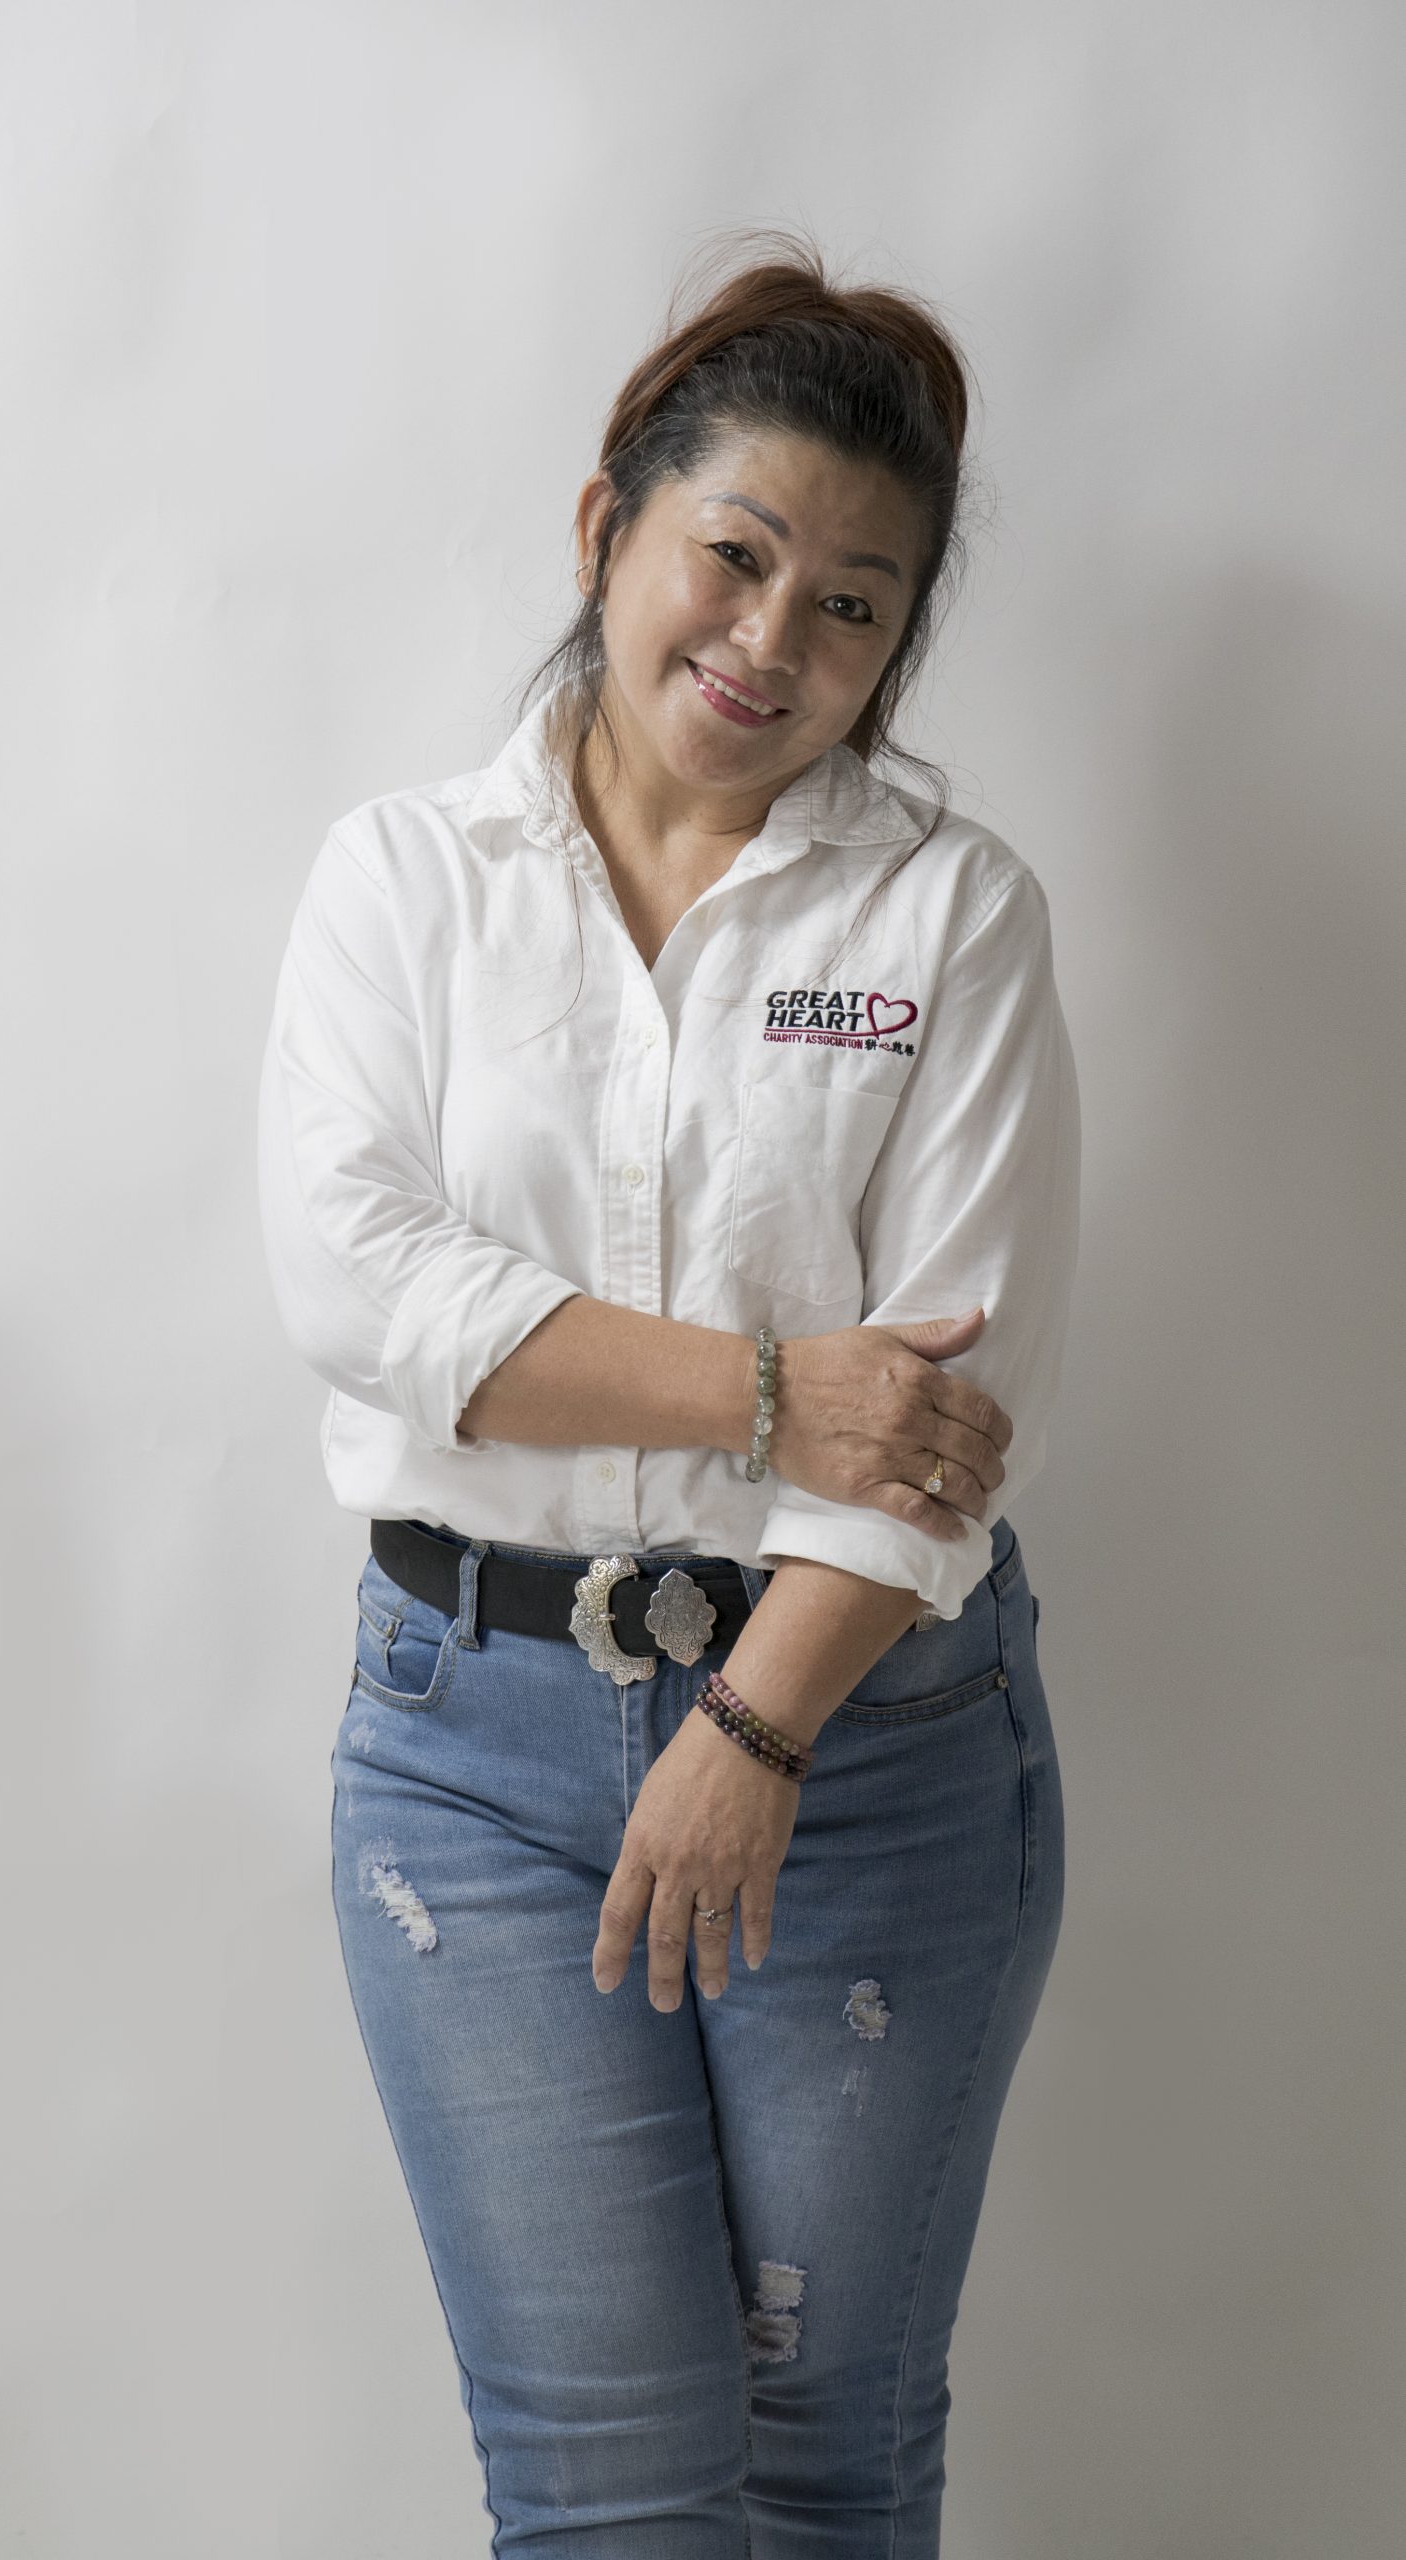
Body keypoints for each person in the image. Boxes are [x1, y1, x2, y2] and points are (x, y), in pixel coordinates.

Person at [257, 230, 1081, 2560]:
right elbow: (362, 1281)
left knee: (823, 2466)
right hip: (472, 1756)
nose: (770, 636)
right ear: (604, 526)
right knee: (601, 2486)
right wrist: (767, 1391)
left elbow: (943, 1417)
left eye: (851, 602)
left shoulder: (949, 915)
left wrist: (752, 1729)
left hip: (872, 1744)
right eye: (734, 552)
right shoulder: (403, 882)